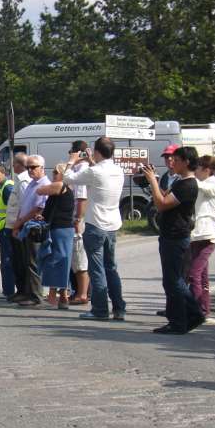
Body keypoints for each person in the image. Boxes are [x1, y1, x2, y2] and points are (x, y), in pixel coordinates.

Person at [143, 146, 205, 334]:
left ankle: (185, 318)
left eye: (176, 160)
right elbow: (162, 198)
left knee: (174, 281)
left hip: (176, 237)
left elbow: (162, 205)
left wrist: (152, 179)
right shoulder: (179, 181)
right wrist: (152, 184)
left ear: (186, 162)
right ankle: (182, 317)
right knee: (171, 280)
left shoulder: (187, 184)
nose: (173, 163)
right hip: (171, 234)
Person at [64, 137, 127, 321]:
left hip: (95, 224)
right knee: (111, 268)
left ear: (97, 151)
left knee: (97, 269)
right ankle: (119, 308)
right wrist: (91, 161)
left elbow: (68, 178)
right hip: (112, 224)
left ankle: (99, 310)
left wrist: (72, 160)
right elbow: (99, 174)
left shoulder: (95, 171)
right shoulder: (118, 170)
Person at [10, 155, 50, 307]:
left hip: (34, 228)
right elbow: (24, 205)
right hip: (25, 227)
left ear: (42, 167)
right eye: (28, 167)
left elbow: (38, 209)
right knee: (25, 261)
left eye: (33, 167)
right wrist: (18, 224)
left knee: (34, 262)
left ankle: (36, 295)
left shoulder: (44, 184)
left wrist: (19, 222)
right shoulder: (32, 184)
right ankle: (27, 292)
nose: (30, 170)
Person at [37, 164, 76, 309]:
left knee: (56, 260)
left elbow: (40, 190)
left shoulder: (60, 185)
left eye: (55, 172)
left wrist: (41, 179)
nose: (52, 175)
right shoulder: (65, 188)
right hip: (61, 228)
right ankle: (62, 295)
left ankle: (56, 296)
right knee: (61, 261)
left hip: (60, 229)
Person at [188, 156, 215, 316]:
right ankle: (204, 308)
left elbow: (202, 187)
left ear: (206, 170)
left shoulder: (214, 185)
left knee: (194, 273)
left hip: (207, 235)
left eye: (197, 168)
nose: (195, 171)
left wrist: (188, 177)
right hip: (197, 234)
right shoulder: (202, 184)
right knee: (201, 275)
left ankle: (196, 310)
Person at [4, 153, 31, 302]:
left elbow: (24, 205)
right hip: (14, 224)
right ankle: (20, 289)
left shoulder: (23, 181)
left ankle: (24, 290)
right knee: (16, 259)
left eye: (14, 164)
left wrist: (17, 225)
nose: (12, 166)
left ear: (20, 165)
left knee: (21, 260)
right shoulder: (19, 180)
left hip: (18, 225)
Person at [67, 141, 90, 305]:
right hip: (74, 217)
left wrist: (77, 219)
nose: (70, 154)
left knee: (79, 257)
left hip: (79, 220)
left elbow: (81, 197)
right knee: (75, 258)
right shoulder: (77, 169)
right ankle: (78, 291)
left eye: (72, 152)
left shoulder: (82, 170)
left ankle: (83, 293)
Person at [0, 164, 15, 297]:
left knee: (7, 261)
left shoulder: (7, 187)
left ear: (3, 173)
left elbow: (14, 208)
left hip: (7, 229)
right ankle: (8, 290)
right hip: (4, 228)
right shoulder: (3, 186)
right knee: (7, 261)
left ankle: (9, 291)